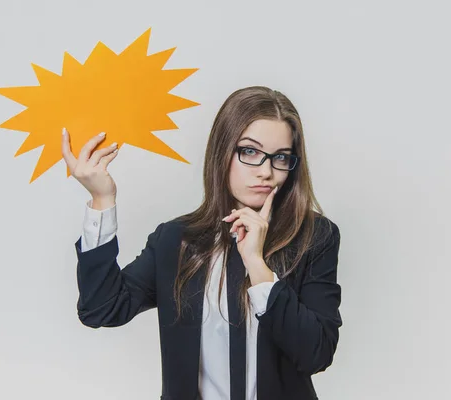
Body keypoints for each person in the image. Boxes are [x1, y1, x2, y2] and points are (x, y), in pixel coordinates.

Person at [62, 86, 343, 400]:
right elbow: (100, 309)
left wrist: (257, 267)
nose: (266, 172)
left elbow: (316, 353)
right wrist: (102, 199)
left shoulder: (315, 236)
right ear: (222, 151)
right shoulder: (176, 240)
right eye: (250, 151)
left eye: (280, 158)